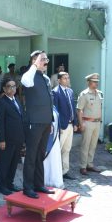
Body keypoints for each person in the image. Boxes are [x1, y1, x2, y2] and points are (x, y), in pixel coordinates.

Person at [20, 50, 55, 199]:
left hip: (46, 122)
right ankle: (28, 187)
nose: (46, 62)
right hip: (34, 123)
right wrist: (35, 64)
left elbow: (49, 101)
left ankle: (39, 184)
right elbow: (26, 82)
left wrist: (50, 120)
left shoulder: (46, 78)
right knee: (31, 156)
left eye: (46, 59)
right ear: (34, 60)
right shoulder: (29, 76)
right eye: (43, 59)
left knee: (40, 155)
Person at [0, 77, 25, 195]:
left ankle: (10, 183)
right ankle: (2, 186)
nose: (12, 89)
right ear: (4, 88)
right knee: (5, 163)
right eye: (9, 86)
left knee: (13, 163)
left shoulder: (17, 99)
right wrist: (1, 139)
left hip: (18, 138)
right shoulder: (2, 102)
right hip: (7, 139)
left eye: (14, 86)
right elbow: (0, 122)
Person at [52, 72, 78, 180]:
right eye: (64, 78)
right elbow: (55, 111)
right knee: (58, 149)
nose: (67, 80)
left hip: (71, 125)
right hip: (62, 126)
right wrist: (58, 126)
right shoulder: (55, 92)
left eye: (68, 78)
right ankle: (56, 172)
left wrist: (75, 123)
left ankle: (64, 172)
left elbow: (73, 108)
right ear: (59, 80)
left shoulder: (70, 91)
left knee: (67, 149)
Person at [77, 73, 103, 175]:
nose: (96, 84)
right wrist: (81, 124)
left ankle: (90, 164)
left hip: (97, 123)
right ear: (88, 82)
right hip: (87, 122)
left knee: (93, 145)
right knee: (85, 145)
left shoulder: (100, 93)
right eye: (94, 82)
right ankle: (83, 166)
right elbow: (79, 110)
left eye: (97, 82)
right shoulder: (84, 94)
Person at [43, 106, 64, 189]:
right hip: (48, 137)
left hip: (55, 137)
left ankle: (54, 180)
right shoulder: (43, 107)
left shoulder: (54, 107)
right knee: (48, 159)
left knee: (55, 159)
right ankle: (46, 180)